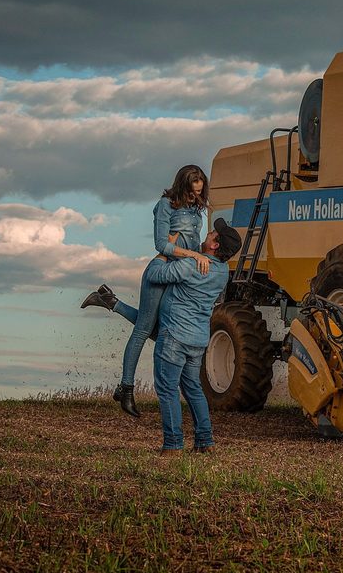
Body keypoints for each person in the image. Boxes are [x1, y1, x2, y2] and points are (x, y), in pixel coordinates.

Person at [93, 219, 242, 455]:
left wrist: (167, 249)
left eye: (214, 233)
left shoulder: (192, 266)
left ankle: (173, 445)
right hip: (198, 339)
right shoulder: (222, 272)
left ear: (214, 245)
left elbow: (154, 274)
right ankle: (205, 440)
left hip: (175, 336)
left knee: (167, 389)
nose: (210, 233)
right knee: (193, 388)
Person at [81, 165, 210, 419]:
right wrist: (193, 254)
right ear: (183, 185)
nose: (197, 193)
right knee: (143, 330)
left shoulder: (197, 210)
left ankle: (111, 301)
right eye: (193, 188)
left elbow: (192, 241)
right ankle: (127, 388)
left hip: (181, 275)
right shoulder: (165, 205)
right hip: (161, 271)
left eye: (200, 187)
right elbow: (161, 244)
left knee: (163, 332)